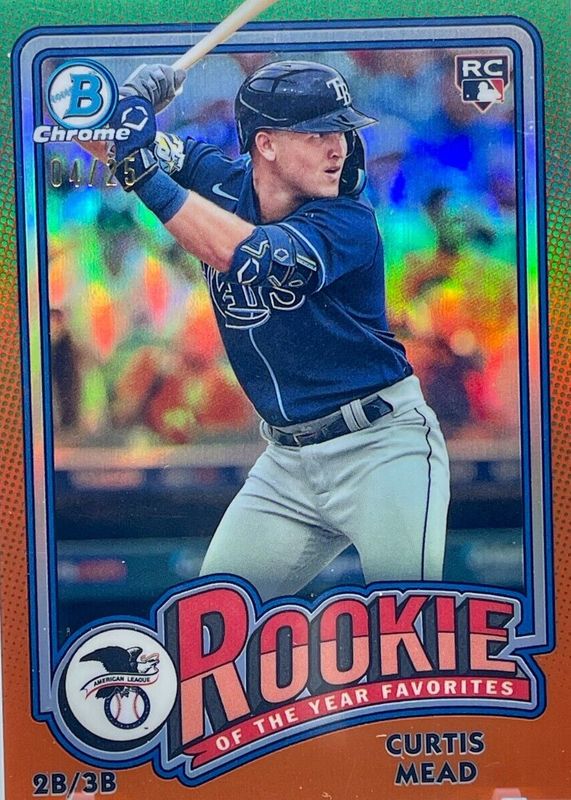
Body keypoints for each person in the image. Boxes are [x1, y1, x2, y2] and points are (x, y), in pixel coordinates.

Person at [108, 60, 450, 601]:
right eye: (318, 134)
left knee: (406, 623)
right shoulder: (220, 179)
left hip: (382, 449)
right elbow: (112, 147)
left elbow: (244, 254)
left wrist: (145, 175)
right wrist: (122, 110)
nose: (338, 148)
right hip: (288, 463)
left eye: (342, 132)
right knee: (208, 620)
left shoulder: (349, 220)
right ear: (265, 144)